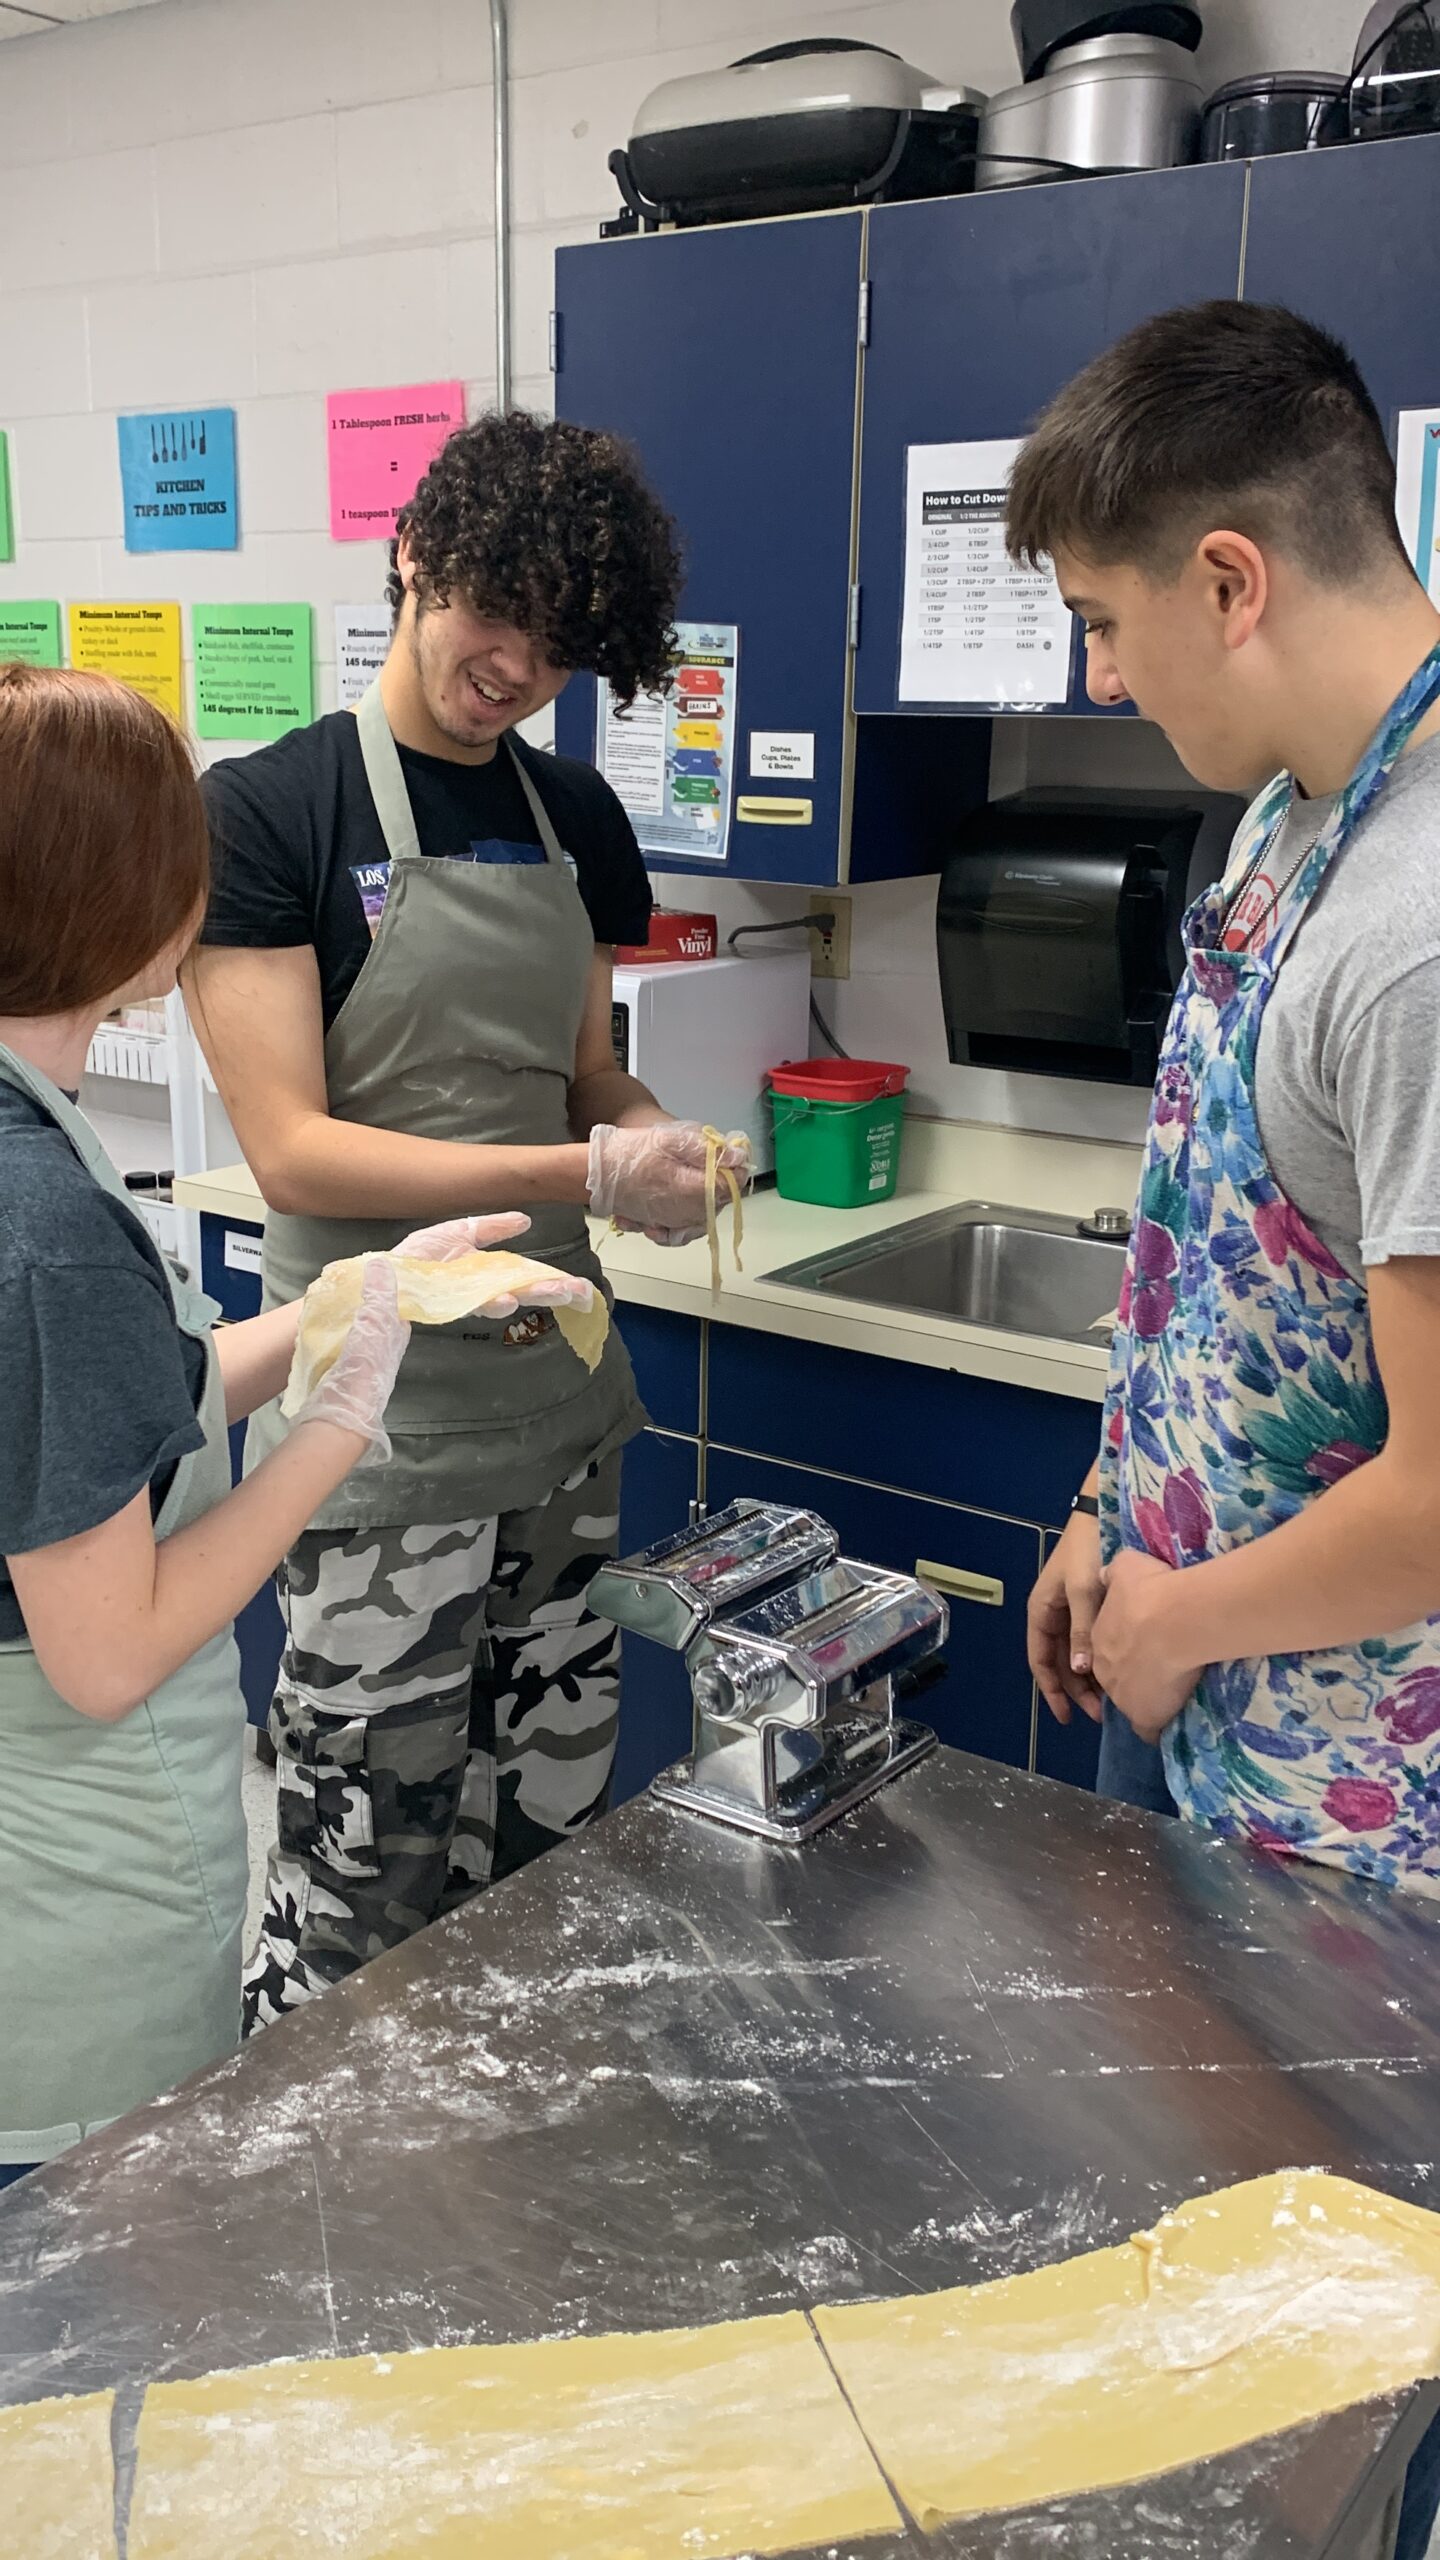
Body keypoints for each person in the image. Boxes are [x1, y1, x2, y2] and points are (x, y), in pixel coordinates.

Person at [1013, 303, 1440, 2559]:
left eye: (1103, 623)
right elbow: (1201, 1244)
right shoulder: (1283, 826)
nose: (1103, 680)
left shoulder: (1423, 923)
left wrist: (1181, 1619)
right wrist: (1108, 1499)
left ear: (1232, 579)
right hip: (1229, 1731)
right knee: (1235, 2311)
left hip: (1384, 1822)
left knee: (1353, 2369)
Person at [189, 408, 743, 2033]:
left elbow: (581, 1077)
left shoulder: (577, 816)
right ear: (420, 555)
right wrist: (576, 1175)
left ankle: (499, 2219)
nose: (516, 668)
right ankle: (323, 2225)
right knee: (360, 1871)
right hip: (372, 1431)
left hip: (559, 1424)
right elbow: (293, 1151)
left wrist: (653, 1140)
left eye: (561, 649)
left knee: (542, 1857)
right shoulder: (273, 816)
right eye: (498, 616)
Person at [0, 664, 414, 2176]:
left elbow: (93, 1423)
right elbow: (106, 1652)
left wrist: (322, 1319)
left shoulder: (27, 1148)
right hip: (67, 1907)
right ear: (129, 905)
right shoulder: (38, 1225)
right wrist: (331, 1427)